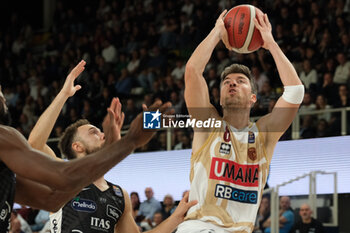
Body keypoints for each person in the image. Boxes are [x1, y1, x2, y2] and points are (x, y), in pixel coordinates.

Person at [0, 60, 194, 233]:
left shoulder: (119, 195)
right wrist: (64, 95)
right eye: (93, 132)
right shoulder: (62, 175)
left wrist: (176, 218)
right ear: (77, 146)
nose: (101, 134)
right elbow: (35, 144)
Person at [177, 10, 304, 233]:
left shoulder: (264, 135)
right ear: (219, 97)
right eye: (226, 82)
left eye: (240, 81)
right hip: (200, 227)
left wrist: (271, 44)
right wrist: (217, 33)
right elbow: (193, 71)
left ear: (253, 98)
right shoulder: (208, 124)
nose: (232, 84)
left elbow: (295, 92)